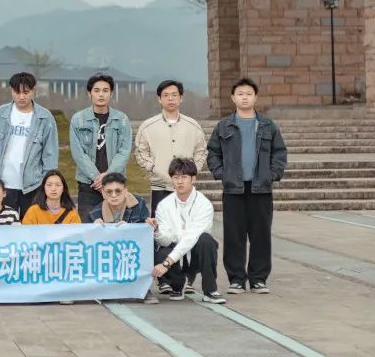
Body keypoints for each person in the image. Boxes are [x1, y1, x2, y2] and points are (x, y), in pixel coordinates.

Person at [207, 77, 287, 295]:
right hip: (233, 189)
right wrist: (222, 174)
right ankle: (236, 279)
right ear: (233, 98)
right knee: (234, 235)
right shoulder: (224, 126)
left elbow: (279, 153)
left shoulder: (268, 126)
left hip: (261, 189)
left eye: (249, 94)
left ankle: (258, 279)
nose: (244, 98)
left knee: (261, 235)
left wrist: (272, 175)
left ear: (255, 97)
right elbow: (213, 153)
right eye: (240, 94)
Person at [0, 71, 59, 218]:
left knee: (31, 227)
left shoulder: (45, 118)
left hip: (33, 185)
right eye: (17, 92)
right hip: (3, 184)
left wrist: (47, 184)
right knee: (4, 225)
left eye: (26, 92)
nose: (21, 97)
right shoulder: (1, 113)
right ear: (11, 91)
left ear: (34, 91)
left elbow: (50, 155)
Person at [152, 157, 225, 304]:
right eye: (175, 177)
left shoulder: (204, 204)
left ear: (193, 179)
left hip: (196, 255)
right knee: (161, 250)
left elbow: (192, 237)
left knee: (206, 240)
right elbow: (165, 240)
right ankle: (177, 285)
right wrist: (157, 231)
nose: (179, 181)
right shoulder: (164, 205)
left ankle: (210, 290)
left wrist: (167, 263)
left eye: (184, 177)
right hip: (176, 254)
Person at [135, 79, 208, 214]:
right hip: (160, 186)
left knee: (187, 223)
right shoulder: (148, 126)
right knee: (160, 224)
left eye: (174, 95)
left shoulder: (193, 125)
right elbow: (140, 152)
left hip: (186, 187)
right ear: (159, 99)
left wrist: (192, 169)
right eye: (166, 95)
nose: (170, 98)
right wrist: (153, 167)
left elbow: (201, 151)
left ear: (181, 98)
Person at [69, 73, 132, 219]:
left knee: (117, 226)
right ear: (89, 93)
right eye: (97, 90)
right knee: (88, 225)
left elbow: (124, 150)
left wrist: (108, 175)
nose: (101, 94)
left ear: (111, 93)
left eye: (105, 90)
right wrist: (97, 178)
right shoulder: (78, 119)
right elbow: (78, 153)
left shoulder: (121, 119)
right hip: (89, 184)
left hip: (115, 183)